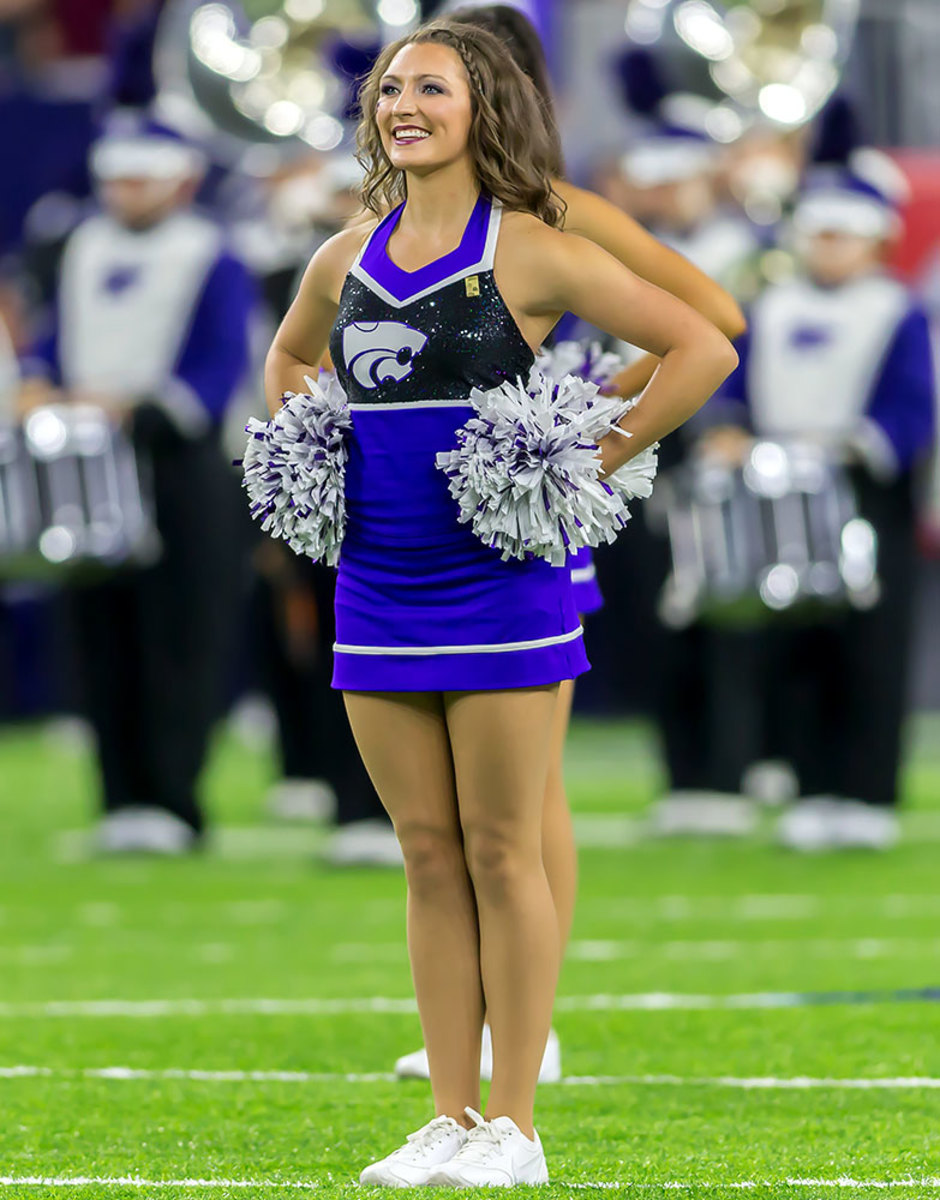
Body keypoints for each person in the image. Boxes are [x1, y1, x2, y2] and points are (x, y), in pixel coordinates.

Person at [264, 18, 736, 1186]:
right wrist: (310, 445)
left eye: (430, 87)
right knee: (425, 853)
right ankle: (447, 1112)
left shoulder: (530, 245)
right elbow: (287, 360)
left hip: (499, 584)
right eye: (388, 88)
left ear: (484, 110)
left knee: (501, 848)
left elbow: (702, 345)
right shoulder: (342, 255)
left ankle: (515, 1124)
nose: (401, 105)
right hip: (377, 583)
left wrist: (588, 451)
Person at [390, 0, 747, 1084]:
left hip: (523, 511)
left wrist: (584, 412)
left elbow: (716, 320)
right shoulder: (418, 225)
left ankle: (523, 1032)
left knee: (527, 788)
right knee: (492, 804)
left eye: (454, 77)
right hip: (433, 523)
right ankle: (497, 1023)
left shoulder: (555, 214)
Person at [20, 113, 255, 853]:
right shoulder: (82, 246)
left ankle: (175, 801)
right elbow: (57, 337)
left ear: (181, 181)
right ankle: (119, 799)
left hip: (176, 463)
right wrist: (36, 382)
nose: (125, 194)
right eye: (115, 180)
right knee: (96, 633)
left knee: (180, 633)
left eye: (140, 179)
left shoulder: (213, 253)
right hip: (90, 461)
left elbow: (220, 362)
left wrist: (142, 403)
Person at [702, 155, 936, 852]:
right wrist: (727, 428)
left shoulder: (898, 310)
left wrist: (856, 445)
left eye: (845, 234)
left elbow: (914, 406)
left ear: (876, 240)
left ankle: (868, 793)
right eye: (819, 233)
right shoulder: (769, 304)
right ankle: (811, 786)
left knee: (872, 645)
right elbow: (731, 383)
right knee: (791, 641)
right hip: (779, 489)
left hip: (864, 492)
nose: (829, 247)